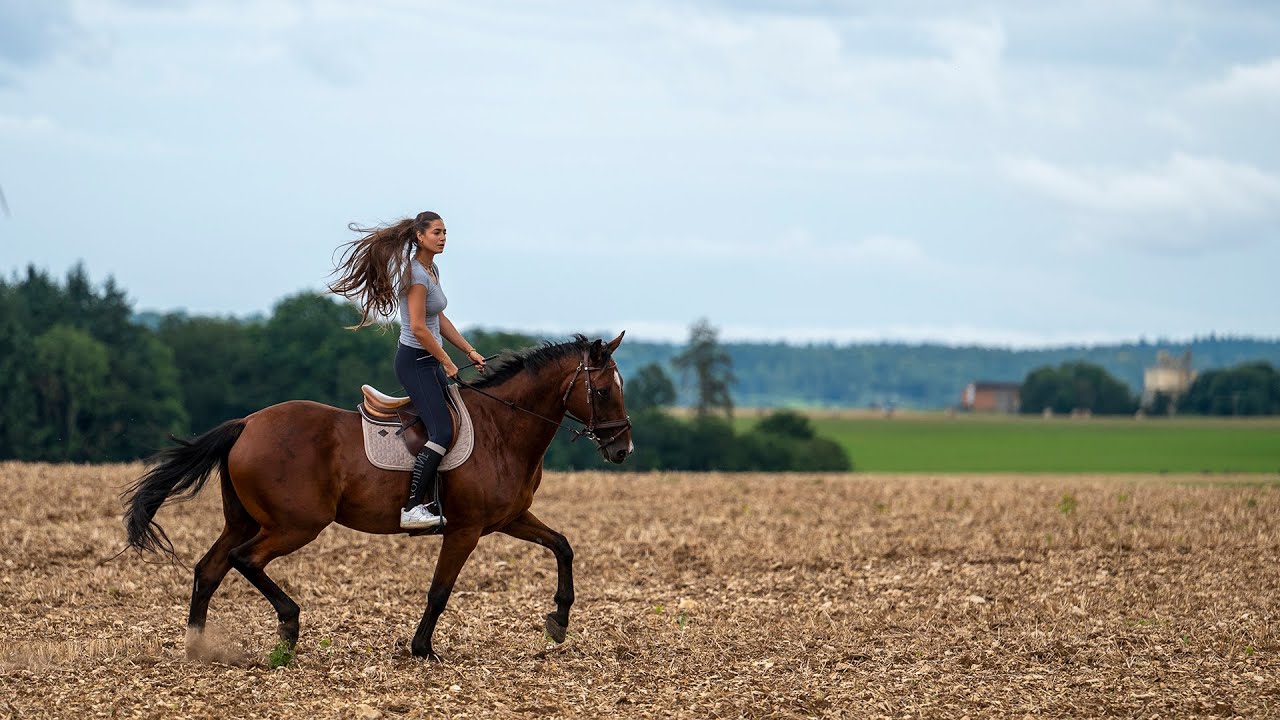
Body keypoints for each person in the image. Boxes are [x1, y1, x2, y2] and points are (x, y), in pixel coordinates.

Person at [329, 210, 487, 530]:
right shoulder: (415, 275)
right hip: (415, 362)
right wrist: (446, 360)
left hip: (429, 359)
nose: (443, 238)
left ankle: (436, 498)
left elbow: (438, 319)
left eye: (445, 232)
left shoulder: (432, 269)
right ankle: (412, 507)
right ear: (420, 236)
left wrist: (468, 349)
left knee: (453, 421)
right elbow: (418, 327)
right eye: (437, 232)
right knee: (442, 430)